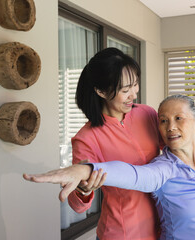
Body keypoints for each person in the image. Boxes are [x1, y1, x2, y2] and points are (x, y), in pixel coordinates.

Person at [24, 95, 195, 240]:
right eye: (163, 120)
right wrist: (85, 170)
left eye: (179, 118)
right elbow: (131, 174)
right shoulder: (163, 170)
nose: (170, 127)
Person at [59, 48, 162, 240]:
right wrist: (83, 190)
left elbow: (175, 151)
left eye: (135, 85)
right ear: (101, 91)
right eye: (125, 90)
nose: (133, 94)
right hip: (123, 232)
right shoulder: (87, 138)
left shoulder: (147, 114)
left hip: (162, 226)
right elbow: (77, 205)